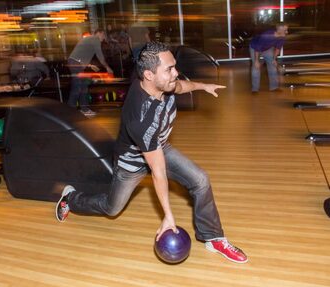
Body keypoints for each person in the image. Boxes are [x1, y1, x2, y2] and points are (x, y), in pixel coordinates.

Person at [56, 42, 248, 264]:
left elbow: (181, 86)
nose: (175, 73)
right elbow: (158, 173)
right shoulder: (141, 119)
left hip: (158, 146)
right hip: (132, 162)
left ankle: (213, 237)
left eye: (174, 66)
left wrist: (202, 86)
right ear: (148, 74)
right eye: (169, 69)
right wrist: (168, 215)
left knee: (200, 180)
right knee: (112, 208)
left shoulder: (164, 84)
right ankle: (70, 198)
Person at [67, 29, 114, 117]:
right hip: (75, 64)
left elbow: (79, 54)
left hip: (75, 63)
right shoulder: (95, 39)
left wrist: (89, 65)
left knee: (83, 86)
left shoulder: (89, 39)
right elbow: (100, 56)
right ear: (99, 33)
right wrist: (108, 68)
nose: (104, 38)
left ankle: (84, 109)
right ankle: (70, 112)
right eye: (103, 35)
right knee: (77, 87)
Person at [249, 22, 289, 93]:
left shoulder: (282, 37)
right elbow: (257, 48)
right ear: (279, 30)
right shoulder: (267, 35)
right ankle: (255, 89)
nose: (287, 32)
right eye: (285, 30)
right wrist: (256, 61)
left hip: (267, 48)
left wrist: (274, 59)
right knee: (256, 67)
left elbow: (277, 49)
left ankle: (274, 87)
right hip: (255, 47)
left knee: (272, 65)